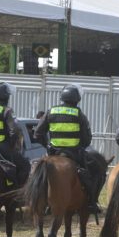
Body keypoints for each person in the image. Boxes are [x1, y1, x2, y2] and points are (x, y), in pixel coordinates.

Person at [34, 84, 98, 213]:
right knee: (89, 174)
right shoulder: (78, 113)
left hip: (53, 153)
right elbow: (87, 138)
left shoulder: (50, 111)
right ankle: (91, 202)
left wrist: (47, 145)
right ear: (77, 99)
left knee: (35, 172)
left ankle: (36, 200)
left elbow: (38, 133)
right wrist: (81, 147)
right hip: (74, 153)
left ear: (62, 97)